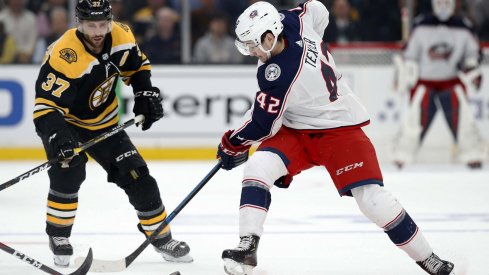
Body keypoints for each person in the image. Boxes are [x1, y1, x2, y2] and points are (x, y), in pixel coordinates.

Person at [216, 1, 455, 275]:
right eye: (246, 45)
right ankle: (248, 246)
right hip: (297, 130)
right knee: (258, 168)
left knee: (371, 198)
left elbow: (262, 125)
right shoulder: (293, 21)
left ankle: (428, 257)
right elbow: (317, 9)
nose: (252, 52)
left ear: (271, 35)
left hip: (339, 127)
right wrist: (315, 40)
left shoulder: (278, 74)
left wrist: (231, 143)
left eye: (254, 44)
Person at [33, 0, 192, 267]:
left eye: (102, 24)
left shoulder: (122, 34)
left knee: (138, 175)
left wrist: (143, 92)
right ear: (79, 23)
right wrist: (58, 138)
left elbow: (138, 67)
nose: (97, 31)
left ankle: (160, 236)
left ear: (110, 21)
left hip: (105, 123)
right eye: (90, 25)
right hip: (66, 125)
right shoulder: (64, 54)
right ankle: (59, 236)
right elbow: (45, 108)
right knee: (69, 171)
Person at [392, 0, 484, 169]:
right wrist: (404, 73)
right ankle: (402, 156)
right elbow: (409, 55)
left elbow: (473, 53)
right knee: (414, 120)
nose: (443, 6)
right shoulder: (421, 24)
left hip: (452, 81)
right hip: (425, 82)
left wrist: (471, 66)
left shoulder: (464, 26)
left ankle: (472, 155)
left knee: (464, 119)